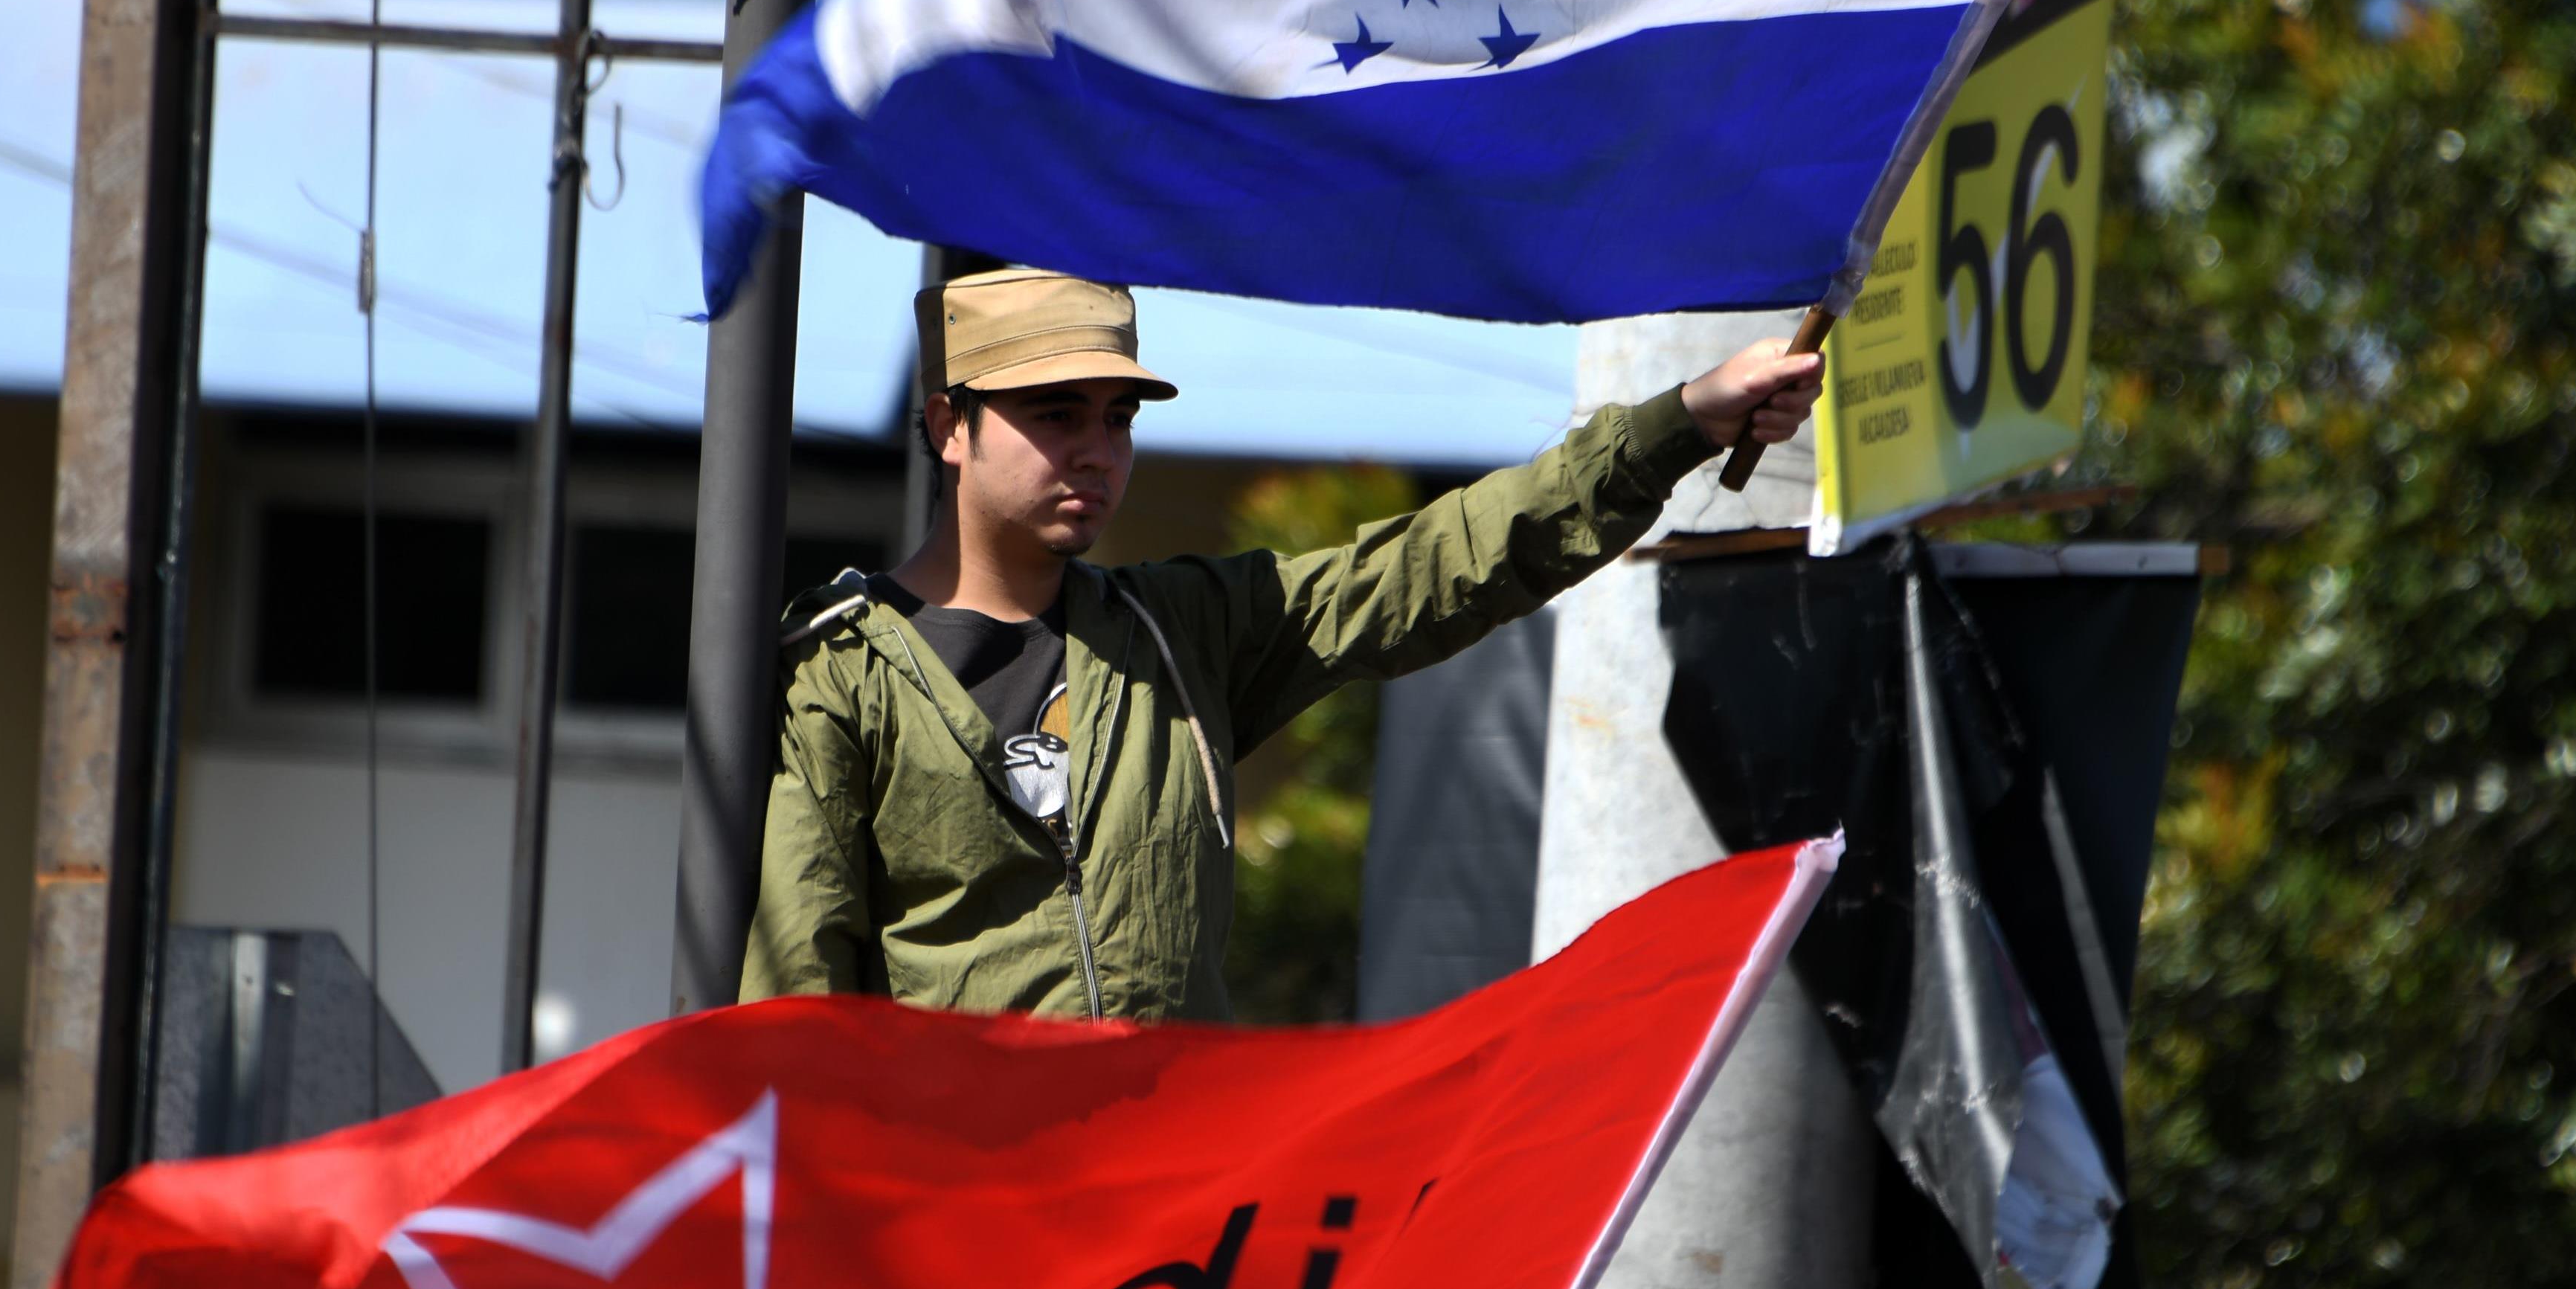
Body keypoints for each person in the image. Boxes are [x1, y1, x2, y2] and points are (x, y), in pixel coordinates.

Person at [744, 267, 1821, 1020]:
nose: (1095, 450)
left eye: (1116, 417)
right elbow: (794, 988)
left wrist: (1681, 420)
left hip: (1165, 1222)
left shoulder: (1183, 633)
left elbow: (1433, 563)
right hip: (949, 1228)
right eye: (1054, 414)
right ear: (948, 425)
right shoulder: (839, 672)